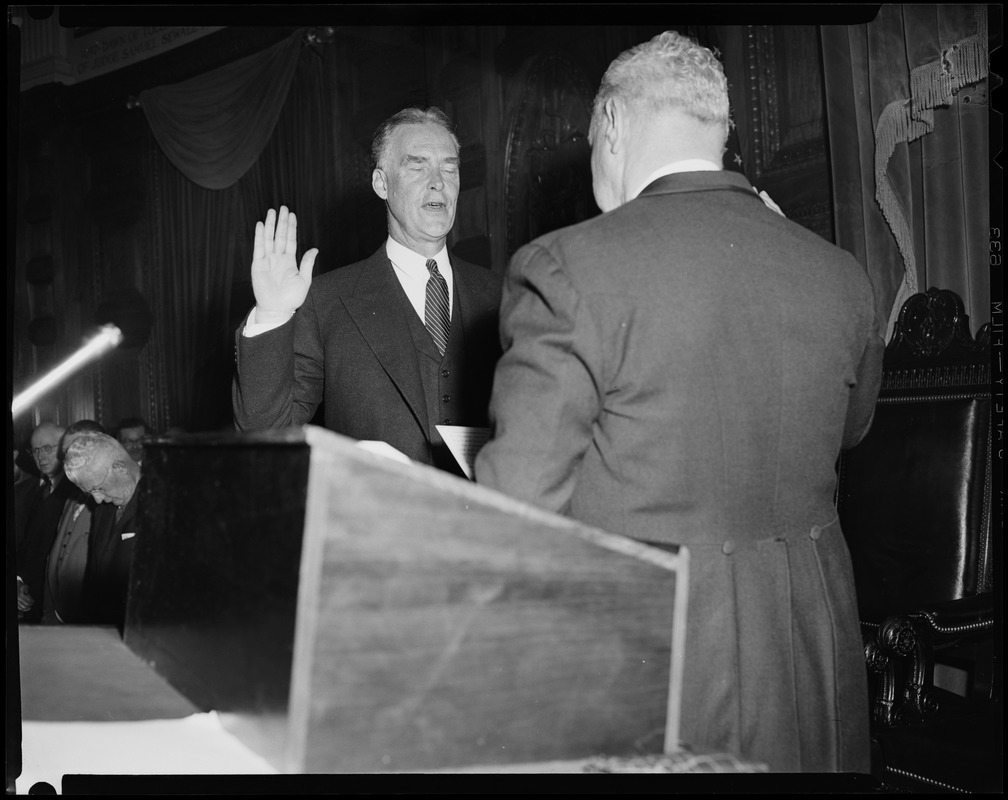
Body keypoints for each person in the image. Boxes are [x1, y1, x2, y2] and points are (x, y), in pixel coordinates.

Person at [474, 31, 885, 773]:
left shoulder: (567, 267)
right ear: (720, 131)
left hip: (652, 663)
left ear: (612, 126)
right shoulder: (840, 272)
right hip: (809, 652)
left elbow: (515, 509)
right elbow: (853, 434)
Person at [232, 106, 501, 475]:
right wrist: (273, 317)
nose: (438, 181)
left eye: (450, 168)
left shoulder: (502, 296)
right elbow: (265, 436)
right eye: (418, 165)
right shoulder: (327, 302)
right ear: (381, 183)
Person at [62, 431, 142, 632]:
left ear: (120, 467)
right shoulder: (103, 508)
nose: (97, 500)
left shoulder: (163, 502)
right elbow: (93, 581)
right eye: (90, 492)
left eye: (98, 488)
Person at [40, 420, 107, 624]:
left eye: (73, 451)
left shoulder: (111, 500)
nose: (66, 460)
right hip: (55, 616)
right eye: (64, 454)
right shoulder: (72, 495)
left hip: (87, 622)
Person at [16, 422, 74, 623]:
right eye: (35, 450)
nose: (40, 456)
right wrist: (18, 581)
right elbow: (25, 546)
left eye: (48, 448)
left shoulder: (79, 492)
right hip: (31, 604)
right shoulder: (35, 491)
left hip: (62, 609)